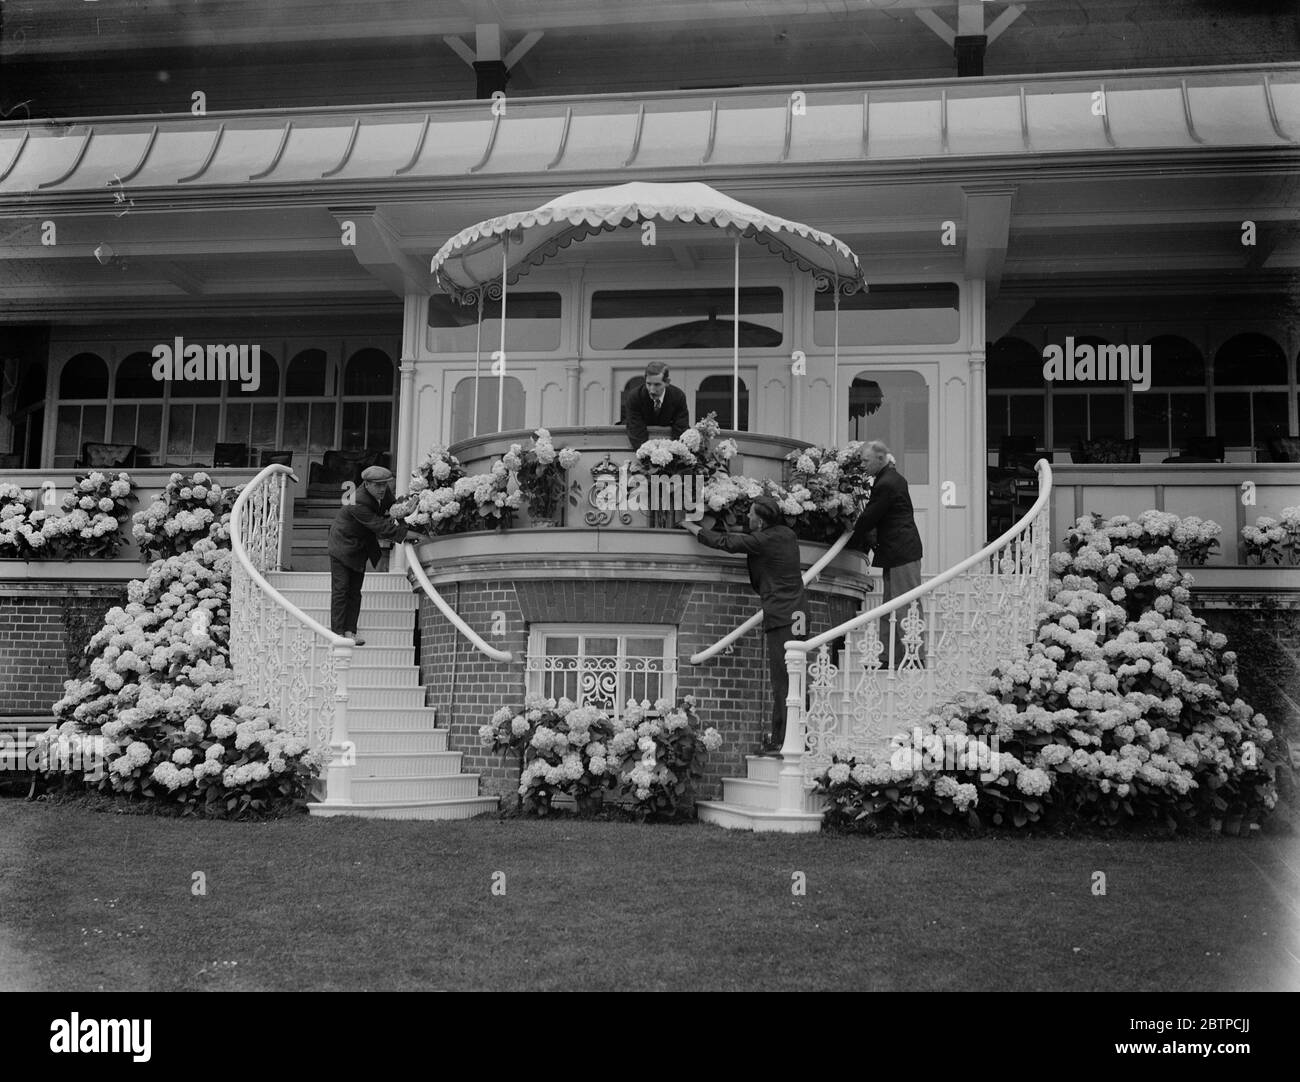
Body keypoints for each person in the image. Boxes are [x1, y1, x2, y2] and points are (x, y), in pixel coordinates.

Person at [683, 495, 806, 754]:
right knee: (791, 680)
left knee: (783, 682)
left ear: (760, 522)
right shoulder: (786, 534)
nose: (746, 517)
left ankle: (786, 741)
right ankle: (782, 737)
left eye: (750, 514)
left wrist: (692, 527)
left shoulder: (763, 540)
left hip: (782, 616)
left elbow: (726, 542)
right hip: (797, 612)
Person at [848, 441, 924, 665]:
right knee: (890, 608)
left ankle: (914, 656)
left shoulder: (887, 483)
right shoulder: (888, 479)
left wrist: (851, 541)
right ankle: (889, 656)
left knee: (905, 607)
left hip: (903, 552)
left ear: (880, 459)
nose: (862, 464)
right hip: (897, 552)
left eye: (865, 460)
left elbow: (870, 516)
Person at [327, 465, 408, 646]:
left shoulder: (383, 493)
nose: (382, 489)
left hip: (359, 547)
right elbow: (380, 526)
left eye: (384, 485)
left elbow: (394, 507)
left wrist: (406, 511)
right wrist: (407, 534)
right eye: (377, 485)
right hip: (341, 545)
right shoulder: (357, 500)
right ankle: (338, 633)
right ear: (366, 484)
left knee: (355, 592)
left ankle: (350, 632)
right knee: (341, 590)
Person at [624, 360, 690, 449]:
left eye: (657, 385)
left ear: (667, 382)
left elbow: (681, 428)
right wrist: (648, 454)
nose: (652, 390)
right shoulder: (635, 397)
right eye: (648, 384)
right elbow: (636, 431)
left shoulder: (678, 396)